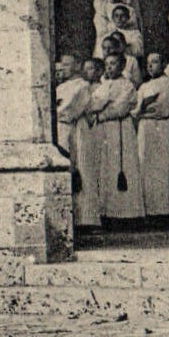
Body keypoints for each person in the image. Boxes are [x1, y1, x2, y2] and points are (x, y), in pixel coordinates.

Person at [88, 53, 144, 222]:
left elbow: (122, 107)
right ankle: (107, 212)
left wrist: (102, 112)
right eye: (107, 64)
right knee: (106, 167)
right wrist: (103, 105)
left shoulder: (128, 86)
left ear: (122, 66)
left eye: (114, 64)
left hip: (121, 129)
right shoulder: (103, 85)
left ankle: (127, 214)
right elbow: (93, 103)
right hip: (104, 132)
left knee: (124, 166)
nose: (110, 67)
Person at [131, 55, 169, 220]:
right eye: (148, 63)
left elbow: (162, 107)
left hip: (161, 128)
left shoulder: (168, 84)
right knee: (145, 165)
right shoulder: (144, 86)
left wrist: (145, 108)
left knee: (161, 167)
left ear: (163, 64)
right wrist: (142, 108)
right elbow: (135, 109)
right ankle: (148, 211)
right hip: (145, 129)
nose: (150, 66)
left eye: (155, 62)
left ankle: (163, 212)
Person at [71, 58, 104, 228]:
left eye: (92, 69)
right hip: (79, 130)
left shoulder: (94, 89)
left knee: (87, 171)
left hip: (88, 129)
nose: (88, 72)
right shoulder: (80, 87)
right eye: (86, 69)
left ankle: (89, 218)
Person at [54, 55, 89, 155]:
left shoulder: (82, 86)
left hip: (68, 128)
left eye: (66, 65)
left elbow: (67, 108)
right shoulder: (62, 86)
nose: (62, 68)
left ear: (77, 66)